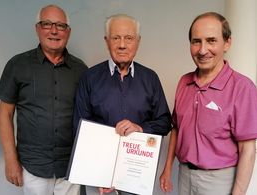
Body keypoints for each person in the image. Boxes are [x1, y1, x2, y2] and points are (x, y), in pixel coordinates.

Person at [160, 12, 257, 195]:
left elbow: (248, 149)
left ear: (227, 43)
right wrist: (167, 169)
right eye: (196, 41)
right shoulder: (184, 82)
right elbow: (176, 129)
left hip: (219, 182)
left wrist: (238, 193)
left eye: (211, 40)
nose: (202, 50)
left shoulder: (243, 88)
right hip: (184, 175)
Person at [73, 14, 172, 195]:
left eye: (129, 38)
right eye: (116, 38)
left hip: (137, 176)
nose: (122, 45)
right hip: (100, 179)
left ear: (138, 41)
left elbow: (165, 122)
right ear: (106, 41)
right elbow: (80, 128)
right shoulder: (90, 78)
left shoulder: (150, 79)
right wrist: (96, 175)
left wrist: (140, 128)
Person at [0, 4, 88, 195]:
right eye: (47, 24)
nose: (54, 31)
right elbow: (5, 113)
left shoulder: (81, 70)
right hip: (33, 165)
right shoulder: (17, 65)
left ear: (68, 32)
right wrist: (10, 159)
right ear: (37, 28)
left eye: (60, 26)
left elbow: (88, 117)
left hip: (71, 167)